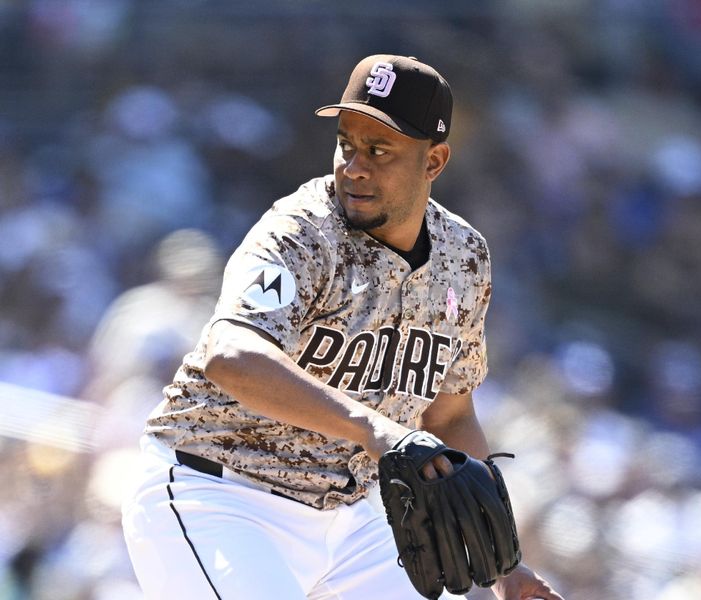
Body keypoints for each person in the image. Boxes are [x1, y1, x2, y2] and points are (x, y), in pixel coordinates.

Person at [121, 54, 564, 600]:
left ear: (435, 161)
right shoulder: (301, 232)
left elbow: (451, 412)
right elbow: (231, 355)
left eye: (379, 150)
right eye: (346, 144)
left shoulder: (464, 257)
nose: (354, 166)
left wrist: (501, 562)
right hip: (217, 491)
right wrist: (376, 430)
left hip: (358, 522)